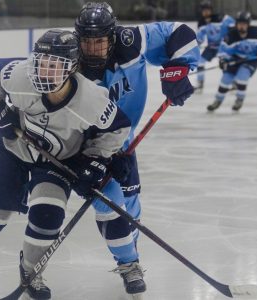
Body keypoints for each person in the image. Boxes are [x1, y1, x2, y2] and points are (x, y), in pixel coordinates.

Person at [0, 29, 131, 299]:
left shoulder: (90, 99)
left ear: (72, 68)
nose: (45, 71)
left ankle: (30, 271)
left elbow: (119, 127)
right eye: (42, 63)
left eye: (54, 65)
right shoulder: (20, 75)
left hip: (57, 161)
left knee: (47, 218)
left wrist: (95, 157)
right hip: (11, 149)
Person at [74, 2, 199, 297]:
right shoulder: (70, 62)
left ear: (113, 37)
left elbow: (180, 32)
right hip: (85, 148)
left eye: (100, 41)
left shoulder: (132, 42)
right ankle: (129, 262)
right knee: (108, 205)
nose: (93, 49)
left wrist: (177, 69)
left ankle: (129, 257)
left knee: (129, 203)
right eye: (87, 41)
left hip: (124, 141)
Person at [207, 11, 257, 112]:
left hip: (252, 59)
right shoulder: (231, 36)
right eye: (239, 24)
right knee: (225, 79)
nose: (241, 26)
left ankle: (239, 99)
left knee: (242, 76)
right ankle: (217, 101)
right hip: (235, 59)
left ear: (248, 24)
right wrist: (223, 60)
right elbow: (223, 50)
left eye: (244, 24)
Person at [194, 0, 235, 92]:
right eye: (204, 10)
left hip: (223, 47)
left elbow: (232, 24)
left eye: (207, 9)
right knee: (200, 61)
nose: (206, 12)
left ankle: (233, 83)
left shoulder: (221, 18)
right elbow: (200, 38)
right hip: (211, 47)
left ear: (211, 10)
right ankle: (200, 84)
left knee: (225, 64)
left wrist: (231, 36)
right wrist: (195, 46)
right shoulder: (201, 22)